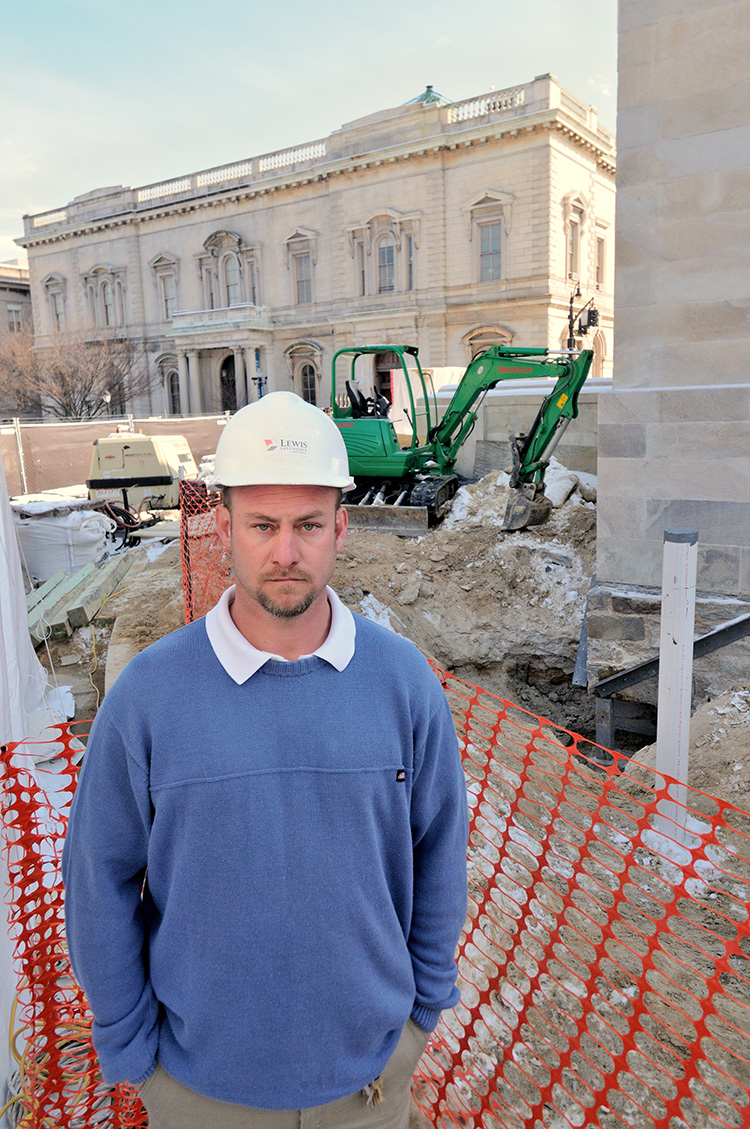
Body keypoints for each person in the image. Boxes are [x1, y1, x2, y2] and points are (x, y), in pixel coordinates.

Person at [62, 391, 469, 1129]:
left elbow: (440, 852)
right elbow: (99, 881)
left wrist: (419, 1018)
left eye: (308, 524)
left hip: (370, 1091)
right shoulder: (149, 696)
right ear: (224, 528)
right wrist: (135, 1055)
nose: (286, 552)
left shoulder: (403, 684)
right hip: (199, 1095)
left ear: (340, 527)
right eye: (262, 525)